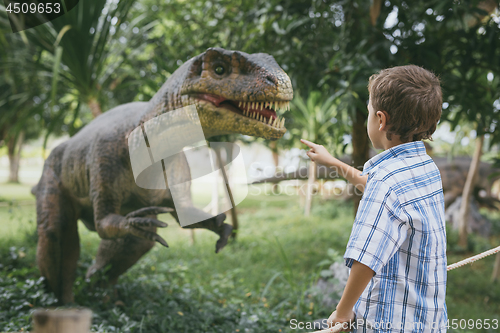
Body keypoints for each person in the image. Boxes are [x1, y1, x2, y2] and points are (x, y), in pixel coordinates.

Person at [301, 65, 447, 332]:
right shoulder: (425, 167)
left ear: (380, 119)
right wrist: (331, 161)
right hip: (428, 320)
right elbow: (383, 189)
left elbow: (365, 259)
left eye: (368, 112)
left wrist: (343, 312)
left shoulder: (386, 183)